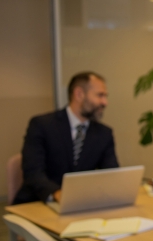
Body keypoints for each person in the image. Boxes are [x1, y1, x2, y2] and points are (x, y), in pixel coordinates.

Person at [13, 71, 119, 205]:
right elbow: (33, 173)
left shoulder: (104, 133)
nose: (105, 102)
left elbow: (111, 175)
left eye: (105, 96)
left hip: (81, 205)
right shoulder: (42, 125)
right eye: (100, 95)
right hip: (38, 202)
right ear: (79, 94)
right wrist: (58, 194)